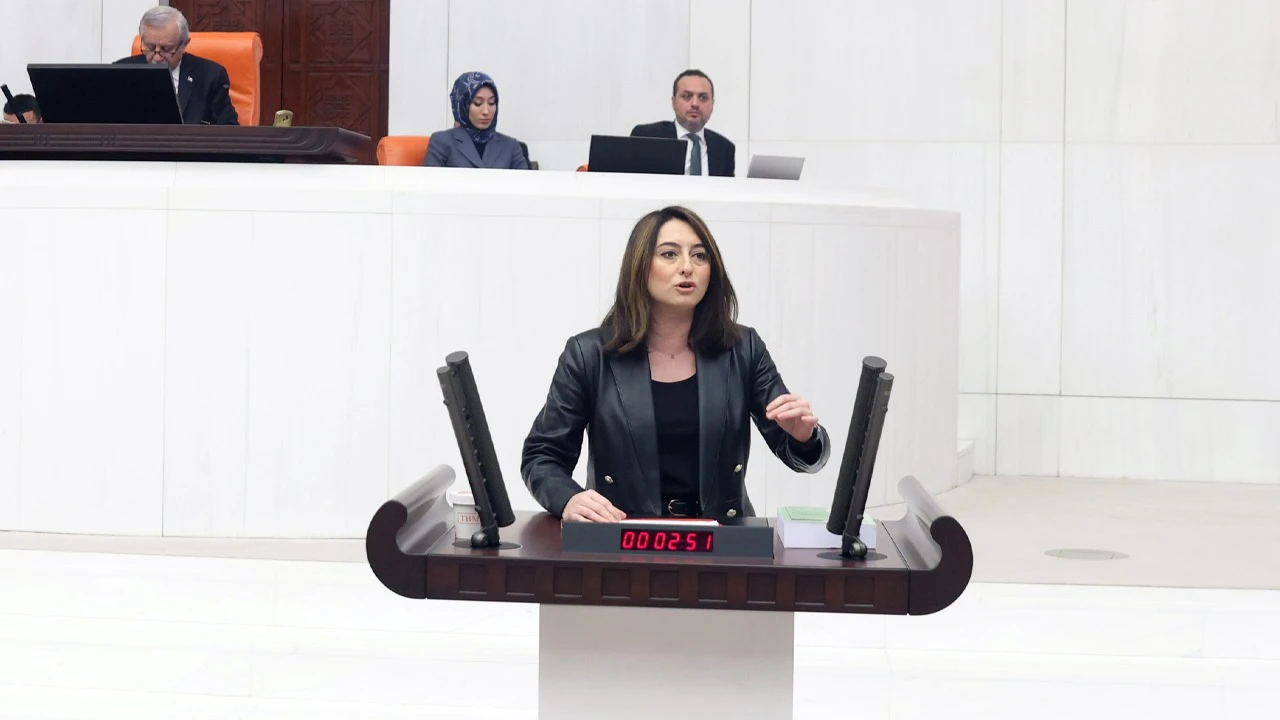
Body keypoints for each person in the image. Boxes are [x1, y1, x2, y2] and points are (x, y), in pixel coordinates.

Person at [521, 206, 830, 522]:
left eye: (699, 256)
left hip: (723, 537)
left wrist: (804, 437)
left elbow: (802, 455)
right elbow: (543, 456)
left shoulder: (742, 349)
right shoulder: (590, 354)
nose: (687, 267)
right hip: (623, 534)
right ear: (639, 266)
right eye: (669, 254)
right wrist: (569, 499)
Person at [114, 6, 238, 125]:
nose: (157, 58)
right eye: (150, 47)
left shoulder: (210, 76)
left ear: (184, 44)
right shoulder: (120, 72)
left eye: (166, 49)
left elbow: (229, 130)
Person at [631, 70, 735, 177]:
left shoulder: (724, 148)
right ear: (674, 102)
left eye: (703, 98)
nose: (695, 104)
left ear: (712, 105)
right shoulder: (647, 137)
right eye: (686, 96)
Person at [423, 72, 528, 169]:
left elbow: (526, 182)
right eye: (478, 103)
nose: (486, 111)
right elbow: (430, 181)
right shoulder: (441, 141)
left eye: (492, 103)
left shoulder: (511, 146)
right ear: (463, 106)